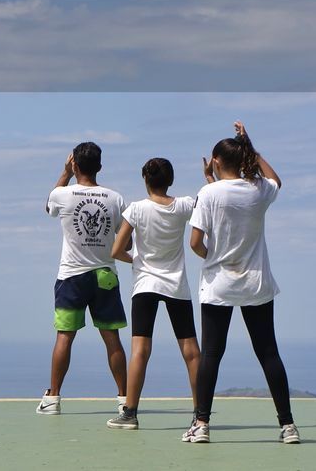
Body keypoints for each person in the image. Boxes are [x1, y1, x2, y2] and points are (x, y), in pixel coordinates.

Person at [183, 122, 299, 445]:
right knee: (268, 353)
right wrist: (252, 146)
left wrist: (212, 257)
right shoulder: (258, 189)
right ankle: (288, 426)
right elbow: (276, 180)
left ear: (216, 162)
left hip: (219, 284)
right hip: (256, 284)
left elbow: (195, 242)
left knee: (211, 355)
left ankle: (201, 424)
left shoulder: (207, 194)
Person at [107, 158, 199, 430]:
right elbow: (209, 206)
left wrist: (137, 260)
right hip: (176, 285)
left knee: (140, 350)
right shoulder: (183, 205)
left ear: (145, 180)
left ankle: (130, 413)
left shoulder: (136, 210)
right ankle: (200, 414)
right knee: (191, 350)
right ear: (170, 180)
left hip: (145, 285)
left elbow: (116, 251)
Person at [38, 142, 127, 417]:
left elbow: (48, 207)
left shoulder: (62, 195)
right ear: (100, 167)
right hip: (105, 276)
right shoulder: (115, 198)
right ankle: (125, 399)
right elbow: (126, 238)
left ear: (75, 164)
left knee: (65, 336)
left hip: (72, 276)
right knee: (111, 338)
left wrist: (65, 173)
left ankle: (53, 399)